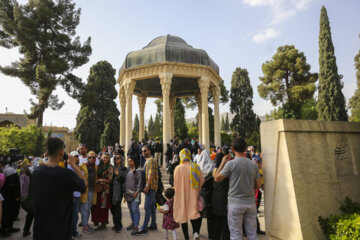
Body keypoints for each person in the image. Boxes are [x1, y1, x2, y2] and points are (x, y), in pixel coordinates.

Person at [31, 137, 86, 240]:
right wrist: (74, 165)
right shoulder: (66, 174)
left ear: (47, 152)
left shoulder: (37, 172)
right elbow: (83, 185)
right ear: (62, 152)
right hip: (60, 230)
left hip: (40, 229)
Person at [214, 138, 262, 240]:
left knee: (236, 235)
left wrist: (222, 162)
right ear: (245, 149)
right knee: (252, 234)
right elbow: (258, 184)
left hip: (235, 203)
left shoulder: (230, 164)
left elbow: (217, 178)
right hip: (250, 202)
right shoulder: (253, 165)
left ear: (232, 149)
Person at [173, 148, 204, 240]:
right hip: (193, 195)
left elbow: (175, 182)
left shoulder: (177, 168)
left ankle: (186, 237)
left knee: (183, 215)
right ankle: (195, 232)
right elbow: (202, 181)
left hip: (181, 195)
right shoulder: (196, 167)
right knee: (194, 213)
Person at [134, 145, 158, 236]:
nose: (143, 152)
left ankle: (144, 228)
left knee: (147, 207)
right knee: (151, 207)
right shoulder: (148, 161)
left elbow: (151, 174)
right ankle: (153, 224)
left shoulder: (151, 160)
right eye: (142, 151)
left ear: (150, 151)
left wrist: (147, 185)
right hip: (152, 187)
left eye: (145, 151)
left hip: (151, 187)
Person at [91, 152, 113, 230]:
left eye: (107, 157)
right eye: (104, 157)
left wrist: (100, 180)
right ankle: (96, 220)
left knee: (103, 206)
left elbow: (110, 179)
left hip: (105, 189)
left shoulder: (110, 167)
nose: (105, 159)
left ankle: (103, 222)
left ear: (109, 158)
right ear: (101, 158)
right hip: (97, 189)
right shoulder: (98, 166)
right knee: (96, 205)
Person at [212, 152, 230, 240]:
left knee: (217, 224)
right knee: (225, 225)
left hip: (215, 199)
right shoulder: (224, 172)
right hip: (224, 199)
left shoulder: (214, 170)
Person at [197, 150, 215, 239]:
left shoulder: (198, 168)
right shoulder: (213, 168)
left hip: (201, 194)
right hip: (210, 194)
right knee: (210, 216)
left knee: (199, 214)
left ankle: (196, 232)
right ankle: (211, 235)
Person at [1, 158, 21, 237]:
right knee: (7, 213)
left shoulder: (8, 171)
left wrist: (16, 195)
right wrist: (16, 195)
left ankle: (9, 228)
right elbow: (13, 185)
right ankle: (4, 230)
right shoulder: (10, 171)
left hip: (8, 196)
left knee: (9, 213)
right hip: (8, 196)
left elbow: (13, 185)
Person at [79, 151, 98, 233]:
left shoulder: (96, 167)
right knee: (84, 208)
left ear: (95, 158)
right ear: (87, 157)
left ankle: (86, 224)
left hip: (92, 191)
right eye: (90, 157)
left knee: (88, 208)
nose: (91, 159)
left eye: (93, 157)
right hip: (84, 191)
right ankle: (84, 226)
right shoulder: (82, 166)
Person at [110, 152, 127, 233]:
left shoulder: (124, 169)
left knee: (117, 209)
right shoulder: (112, 168)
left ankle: (118, 226)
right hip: (111, 190)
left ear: (121, 159)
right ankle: (115, 224)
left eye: (118, 158)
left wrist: (118, 175)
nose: (116, 159)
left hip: (119, 191)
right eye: (115, 158)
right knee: (112, 208)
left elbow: (124, 181)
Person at [125, 156, 142, 234]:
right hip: (128, 194)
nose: (129, 162)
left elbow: (139, 183)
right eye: (128, 161)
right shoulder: (128, 171)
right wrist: (125, 195)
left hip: (135, 195)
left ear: (134, 161)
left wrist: (137, 192)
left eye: (131, 161)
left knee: (135, 210)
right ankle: (133, 223)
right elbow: (127, 183)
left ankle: (136, 226)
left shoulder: (138, 171)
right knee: (131, 210)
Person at [67, 151, 82, 238]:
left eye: (77, 156)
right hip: (72, 195)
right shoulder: (70, 168)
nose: (76, 158)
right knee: (73, 215)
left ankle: (73, 231)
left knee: (75, 215)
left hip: (77, 194)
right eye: (74, 156)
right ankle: (72, 232)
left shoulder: (76, 167)